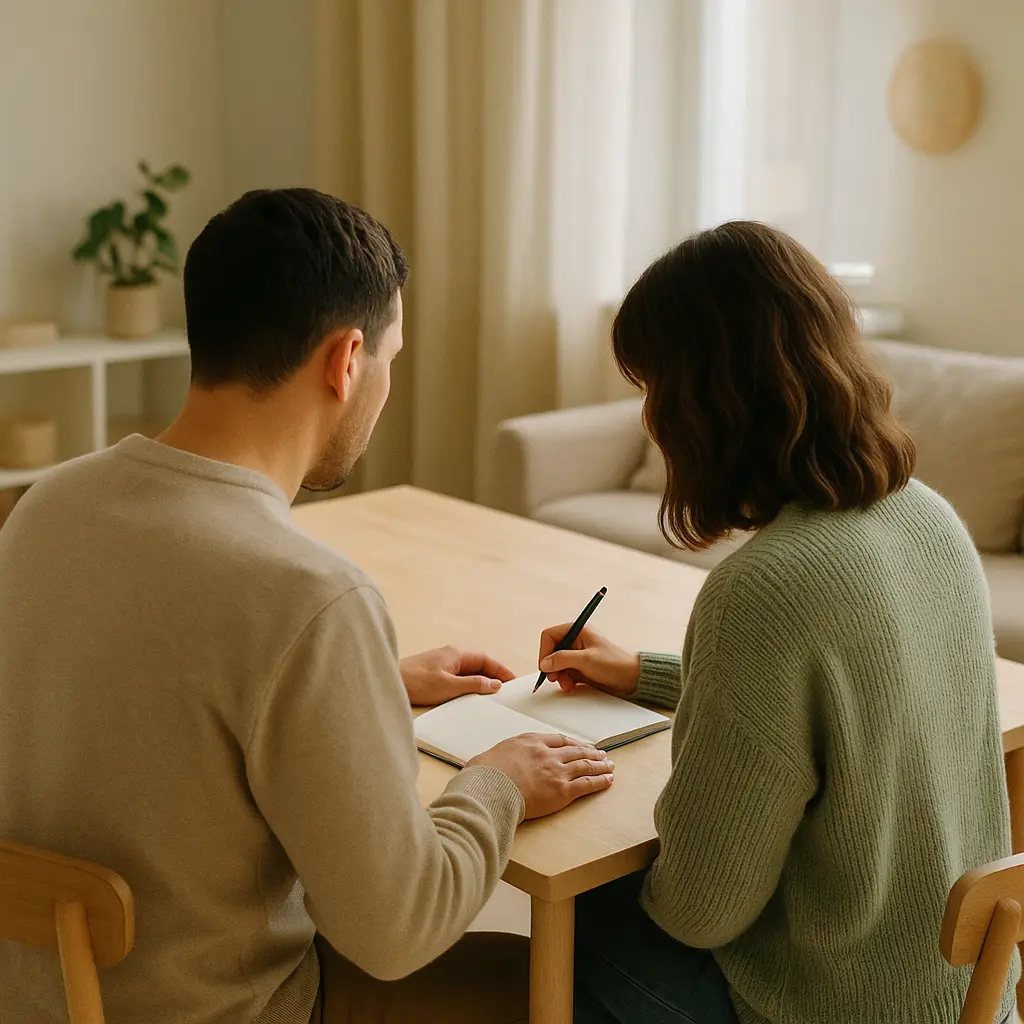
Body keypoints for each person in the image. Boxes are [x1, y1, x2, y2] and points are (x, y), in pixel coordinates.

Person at [0, 188, 615, 1024]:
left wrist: (366, 688)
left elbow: (144, 686)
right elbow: (397, 930)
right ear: (346, 358)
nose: (387, 383)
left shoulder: (46, 507)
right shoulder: (307, 593)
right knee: (562, 986)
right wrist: (496, 782)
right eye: (392, 358)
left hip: (44, 997)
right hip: (223, 1009)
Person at [536, 221, 1018, 1024]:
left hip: (834, 1008)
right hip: (968, 996)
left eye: (651, 388)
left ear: (704, 401)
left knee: (576, 920)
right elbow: (848, 702)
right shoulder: (928, 518)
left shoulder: (760, 592)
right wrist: (644, 674)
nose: (649, 419)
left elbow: (700, 908)